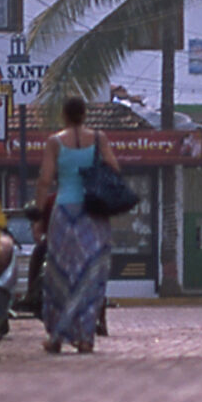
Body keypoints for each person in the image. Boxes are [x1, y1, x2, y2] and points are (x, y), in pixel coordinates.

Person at [36, 95, 123, 354]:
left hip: (64, 213)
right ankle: (85, 336)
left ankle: (57, 336)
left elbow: (44, 180)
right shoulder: (99, 140)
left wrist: (40, 218)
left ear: (64, 115)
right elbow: (115, 170)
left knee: (60, 274)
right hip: (94, 215)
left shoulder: (55, 142)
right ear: (85, 115)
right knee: (91, 274)